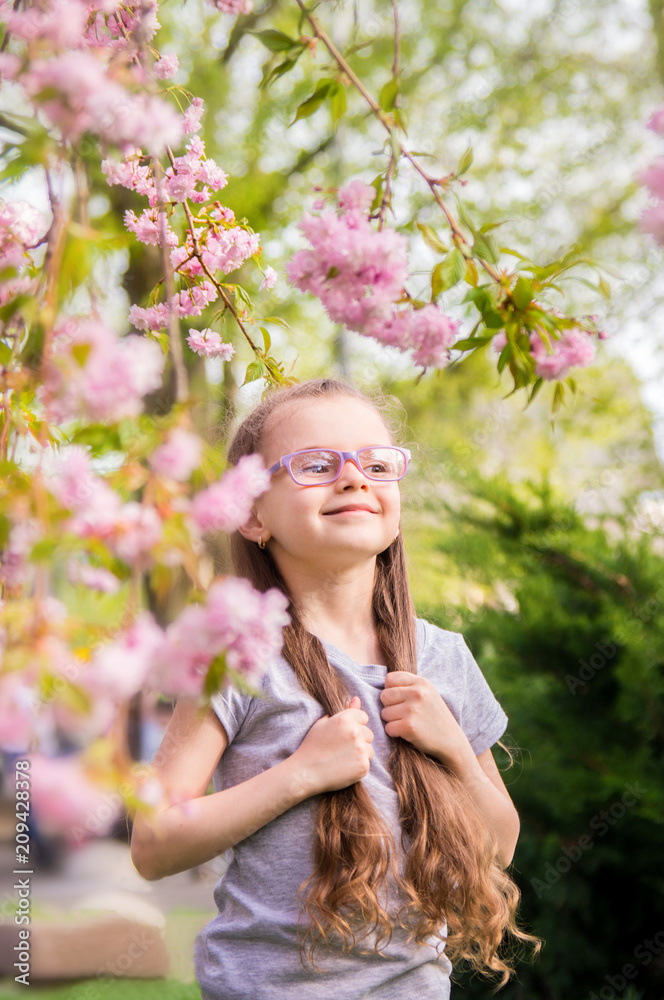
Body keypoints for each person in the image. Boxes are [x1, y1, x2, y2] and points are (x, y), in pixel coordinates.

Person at [130, 377, 539, 999]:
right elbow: (153, 844)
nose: (354, 478)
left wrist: (454, 749)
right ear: (253, 515)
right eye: (315, 465)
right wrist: (301, 774)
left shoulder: (442, 659)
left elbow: (500, 845)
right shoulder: (239, 656)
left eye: (375, 463)